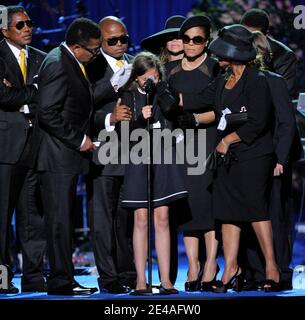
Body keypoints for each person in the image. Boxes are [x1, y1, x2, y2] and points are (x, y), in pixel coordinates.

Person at [182, 24, 282, 292]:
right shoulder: (223, 79)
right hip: (227, 158)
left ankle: (271, 267)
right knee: (227, 213)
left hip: (252, 154)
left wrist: (227, 139)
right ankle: (230, 269)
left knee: (255, 209)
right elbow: (196, 100)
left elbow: (258, 122)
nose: (217, 56)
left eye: (222, 52)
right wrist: (166, 93)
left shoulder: (257, 80)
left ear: (235, 53)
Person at [36, 17, 100, 295]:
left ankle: (64, 277)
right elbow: (47, 112)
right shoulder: (58, 63)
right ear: (76, 47)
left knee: (65, 219)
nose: (96, 54)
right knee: (59, 221)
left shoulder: (69, 60)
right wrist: (80, 139)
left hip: (65, 157)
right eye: (93, 50)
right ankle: (60, 280)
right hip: (57, 157)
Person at [240, 31, 303, 291]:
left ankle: (277, 271)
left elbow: (286, 123)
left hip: (273, 159)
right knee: (249, 215)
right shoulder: (238, 82)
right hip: (247, 158)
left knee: (274, 216)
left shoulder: (274, 80)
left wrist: (279, 158)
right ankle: (254, 272)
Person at [120, 52, 187, 294]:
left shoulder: (163, 93)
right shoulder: (127, 96)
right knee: (140, 219)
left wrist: (162, 91)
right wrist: (139, 119)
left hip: (163, 156)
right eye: (147, 78)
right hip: (138, 158)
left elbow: (173, 113)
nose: (151, 81)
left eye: (155, 77)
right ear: (137, 78)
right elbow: (122, 133)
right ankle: (140, 280)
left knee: (162, 218)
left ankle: (166, 280)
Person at [167, 15, 219, 292]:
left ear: (207, 42)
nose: (190, 44)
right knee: (186, 205)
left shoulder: (214, 68)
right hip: (179, 143)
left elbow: (220, 106)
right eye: (186, 39)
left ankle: (211, 263)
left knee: (207, 204)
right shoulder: (171, 70)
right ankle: (193, 264)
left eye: (197, 39)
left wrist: (197, 118)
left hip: (207, 141)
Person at [85, 16, 136, 294]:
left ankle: (129, 272)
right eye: (112, 41)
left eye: (123, 39)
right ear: (101, 41)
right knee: (102, 218)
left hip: (134, 151)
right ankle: (108, 277)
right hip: (103, 151)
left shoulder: (135, 62)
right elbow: (82, 105)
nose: (119, 45)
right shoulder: (91, 66)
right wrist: (110, 116)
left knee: (126, 217)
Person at [0, 5, 46, 293]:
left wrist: (22, 95)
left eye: (29, 23)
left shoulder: (40, 59)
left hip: (36, 143)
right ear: (4, 30)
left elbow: (50, 94)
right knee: (3, 215)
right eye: (20, 25)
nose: (28, 28)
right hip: (6, 146)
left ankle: (34, 275)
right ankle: (2, 278)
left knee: (32, 215)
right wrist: (35, 92)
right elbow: (3, 97)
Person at [140, 14, 186, 285]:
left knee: (191, 213)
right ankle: (165, 277)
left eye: (182, 36)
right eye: (172, 37)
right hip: (159, 144)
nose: (177, 41)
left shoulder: (202, 67)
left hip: (190, 141)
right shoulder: (156, 71)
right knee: (163, 213)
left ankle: (199, 270)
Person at [240, 8, 297, 98]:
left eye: (254, 36)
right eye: (245, 34)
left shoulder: (284, 56)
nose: (248, 40)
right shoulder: (233, 46)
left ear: (266, 35)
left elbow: (283, 94)